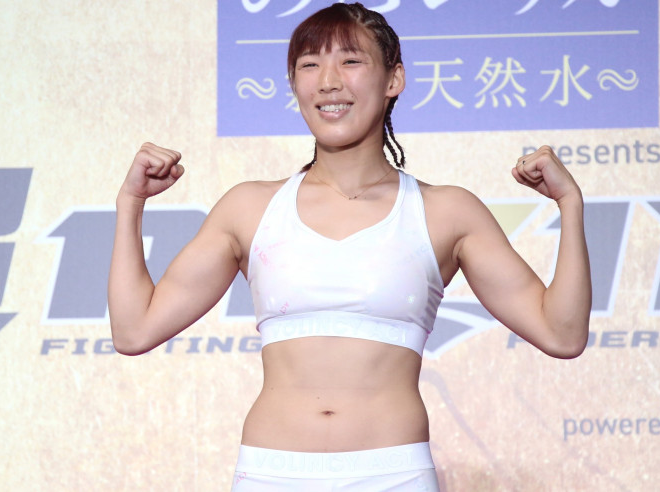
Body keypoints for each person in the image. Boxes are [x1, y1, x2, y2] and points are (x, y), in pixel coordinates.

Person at [108, 3, 591, 491]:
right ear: (294, 84)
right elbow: (135, 329)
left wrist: (569, 204)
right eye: (309, 64)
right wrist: (130, 203)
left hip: (394, 475)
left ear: (393, 79)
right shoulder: (249, 207)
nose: (328, 81)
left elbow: (562, 334)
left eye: (351, 61)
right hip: (272, 474)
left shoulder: (446, 211)